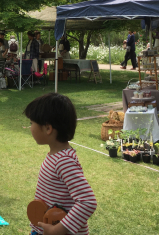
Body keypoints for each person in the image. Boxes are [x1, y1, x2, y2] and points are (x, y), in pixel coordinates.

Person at [24, 93, 97, 235]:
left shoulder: (64, 161)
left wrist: (58, 229)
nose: (30, 127)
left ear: (48, 128)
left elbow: (87, 201)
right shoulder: (55, 156)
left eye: (31, 123)